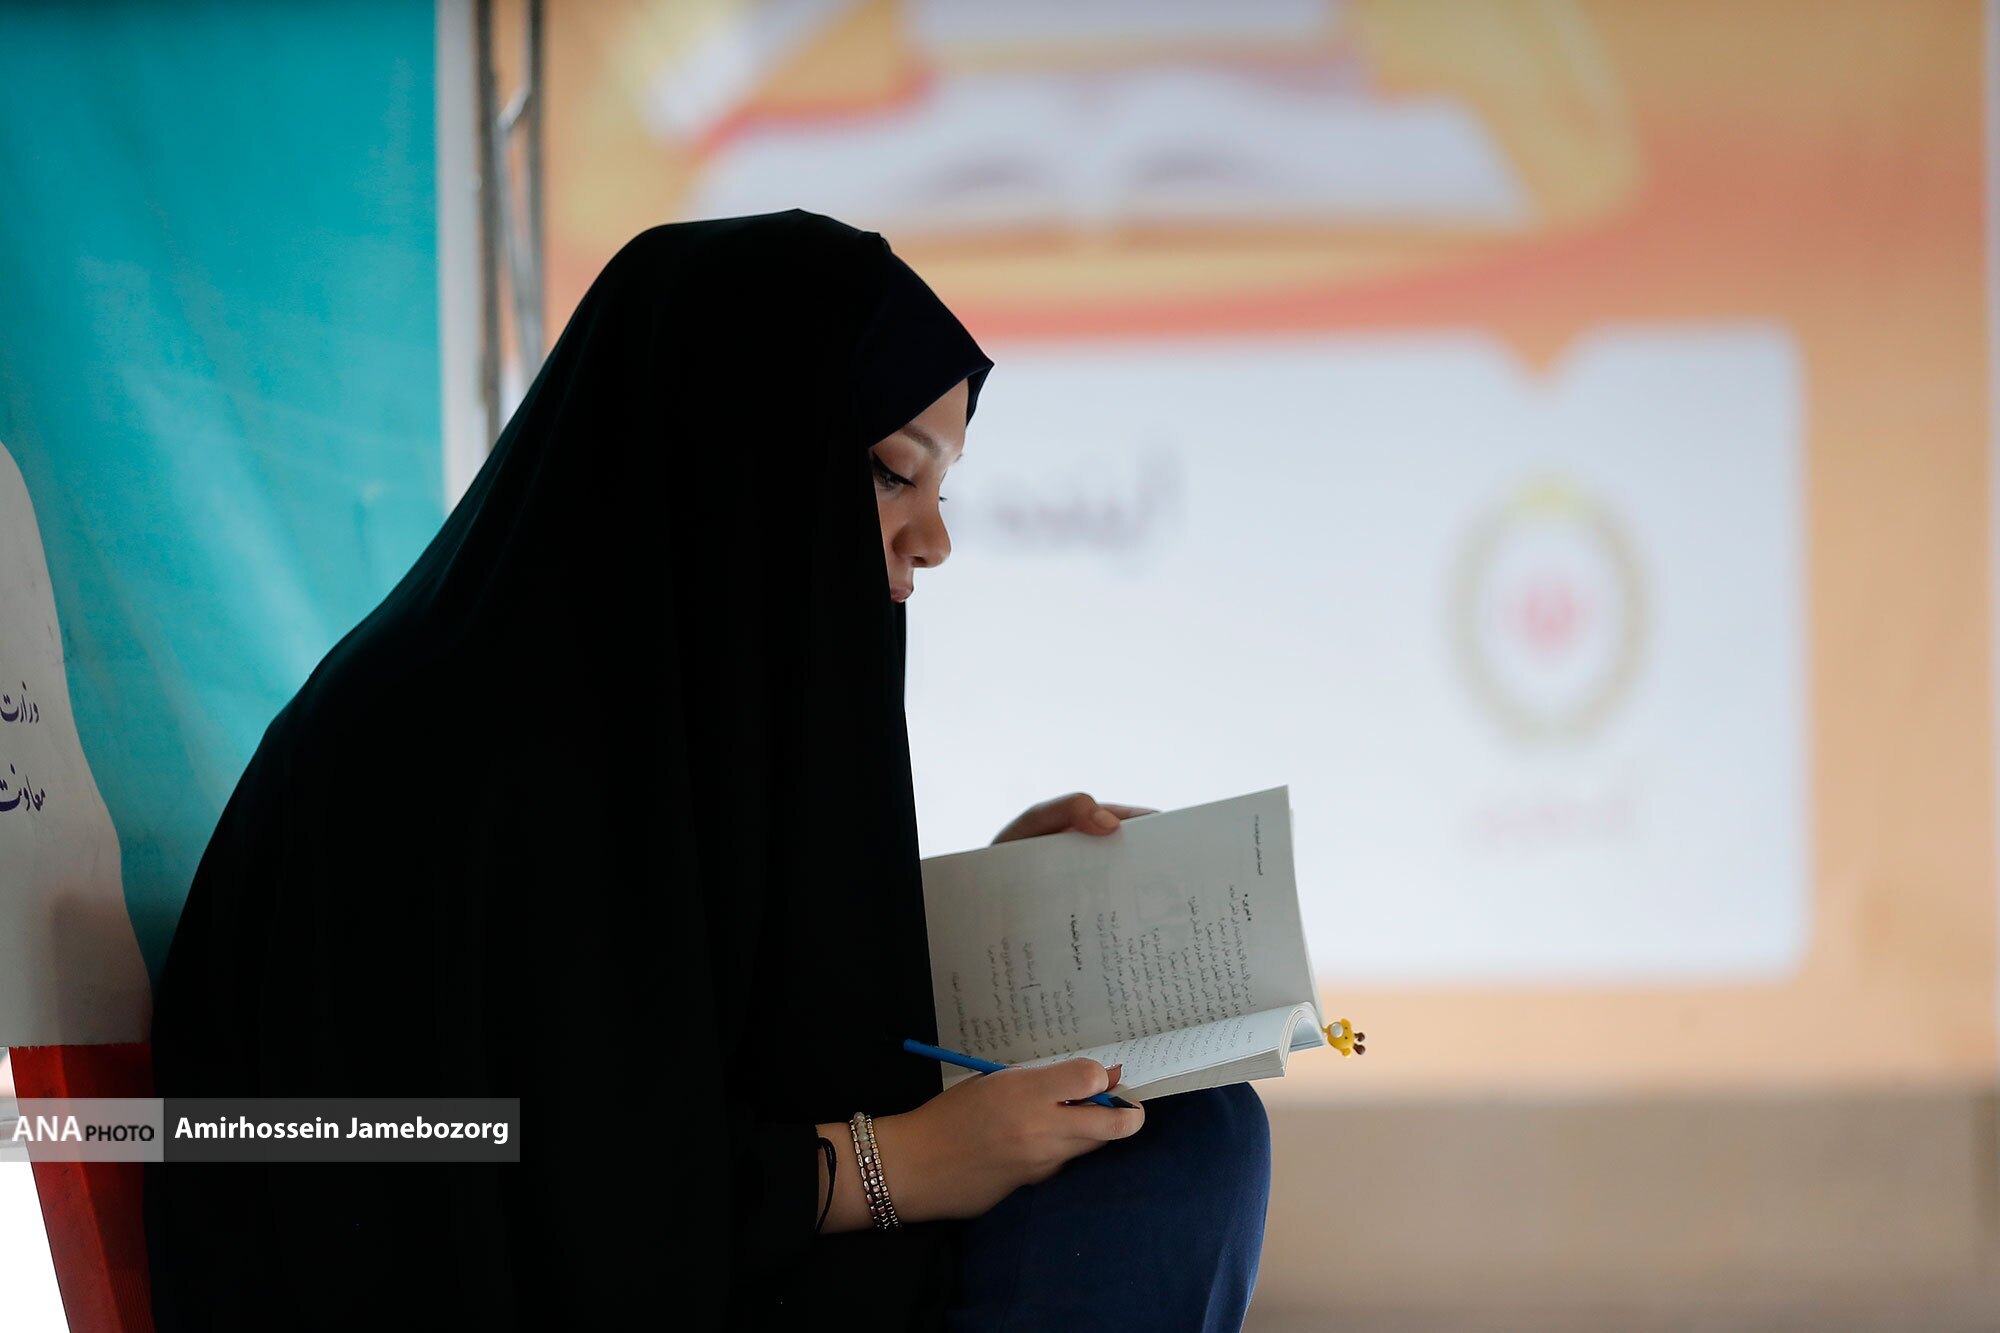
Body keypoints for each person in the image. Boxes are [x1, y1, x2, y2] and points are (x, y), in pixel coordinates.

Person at [144, 207, 1269, 1330]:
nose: (933, 542)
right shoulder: (456, 749)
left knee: (1178, 1121)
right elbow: (536, 1195)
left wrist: (987, 918)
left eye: (941, 491)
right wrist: (902, 1166)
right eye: (890, 473)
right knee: (1159, 1164)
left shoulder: (619, 709)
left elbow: (697, 1014)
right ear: (732, 455)